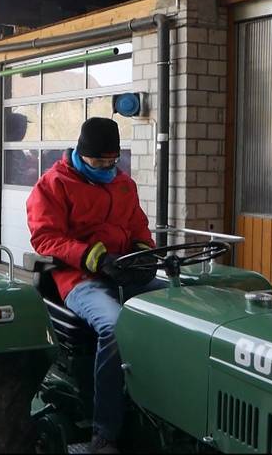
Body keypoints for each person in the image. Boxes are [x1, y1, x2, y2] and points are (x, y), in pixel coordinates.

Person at [26, 117, 156, 454]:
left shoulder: (123, 184)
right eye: (98, 162)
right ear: (82, 155)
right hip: (80, 278)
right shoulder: (53, 183)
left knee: (178, 310)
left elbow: (138, 226)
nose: (106, 168)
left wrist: (144, 255)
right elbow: (46, 238)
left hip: (123, 273)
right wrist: (96, 259)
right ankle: (105, 433)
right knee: (114, 326)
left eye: (111, 162)